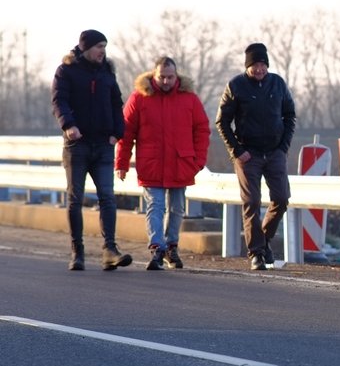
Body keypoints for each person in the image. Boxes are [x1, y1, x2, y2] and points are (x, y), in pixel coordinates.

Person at [115, 56, 211, 270]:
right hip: (152, 163)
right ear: (153, 75)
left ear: (176, 76)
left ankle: (171, 246)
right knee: (155, 207)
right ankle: (157, 247)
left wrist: (198, 160)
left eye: (170, 77)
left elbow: (202, 130)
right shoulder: (139, 98)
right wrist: (121, 162)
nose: (166, 81)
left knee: (177, 209)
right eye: (162, 77)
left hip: (181, 162)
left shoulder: (190, 99)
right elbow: (126, 132)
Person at [51, 29, 133, 271]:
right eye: (99, 47)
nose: (102, 51)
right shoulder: (66, 70)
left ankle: (110, 250)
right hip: (77, 145)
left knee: (107, 197)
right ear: (86, 48)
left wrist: (117, 133)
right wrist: (68, 125)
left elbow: (117, 103)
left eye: (105, 47)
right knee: (76, 199)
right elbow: (59, 100)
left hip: (103, 145)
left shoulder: (107, 71)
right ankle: (77, 251)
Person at [215, 43, 296, 271]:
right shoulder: (236, 86)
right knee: (251, 202)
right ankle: (256, 253)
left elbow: (290, 115)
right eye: (255, 65)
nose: (259, 69)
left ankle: (264, 240)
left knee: (281, 198)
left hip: (275, 152)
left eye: (263, 64)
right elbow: (222, 122)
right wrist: (237, 151)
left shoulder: (277, 83)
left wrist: (283, 147)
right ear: (248, 66)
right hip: (247, 154)